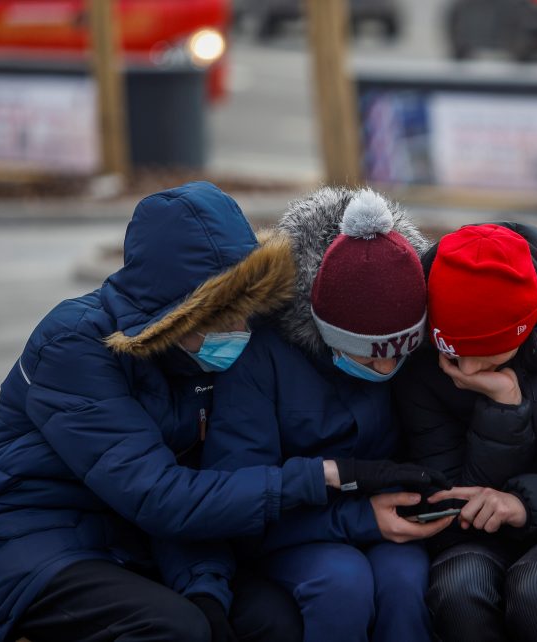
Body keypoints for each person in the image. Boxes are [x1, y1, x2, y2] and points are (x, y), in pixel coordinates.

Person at [0, 181, 416, 642]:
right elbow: (160, 496)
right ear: (175, 313)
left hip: (136, 542)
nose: (240, 330)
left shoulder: (195, 355)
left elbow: (201, 493)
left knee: (272, 619)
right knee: (178, 630)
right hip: (29, 545)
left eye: (246, 310)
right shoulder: (73, 346)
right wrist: (324, 475)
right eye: (221, 315)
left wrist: (205, 586)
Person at [165, 187, 452, 642]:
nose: (385, 369)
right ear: (325, 329)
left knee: (404, 581)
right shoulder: (261, 358)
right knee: (342, 583)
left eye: (397, 355)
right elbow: (241, 494)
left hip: (382, 521)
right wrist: (357, 518)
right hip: (289, 531)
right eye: (367, 356)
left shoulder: (407, 344)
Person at [392, 222, 537, 642]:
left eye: (482, 354)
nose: (464, 371)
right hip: (480, 532)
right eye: (453, 352)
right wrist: (502, 409)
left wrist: (525, 501)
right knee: (459, 587)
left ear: (526, 326)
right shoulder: (425, 360)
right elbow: (452, 501)